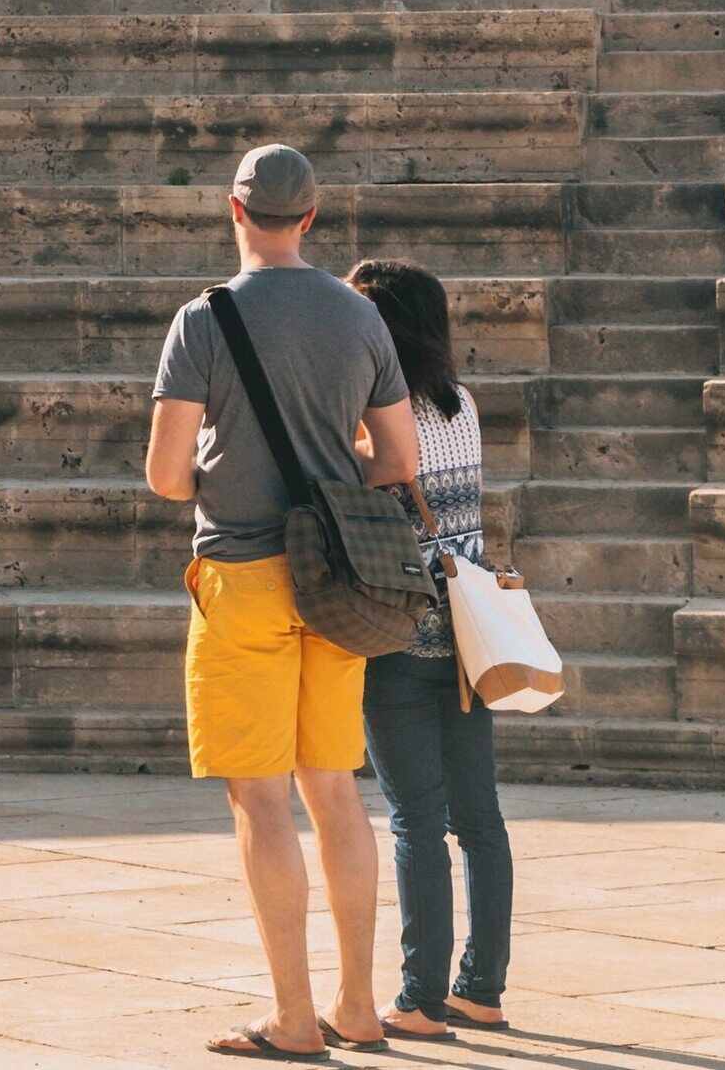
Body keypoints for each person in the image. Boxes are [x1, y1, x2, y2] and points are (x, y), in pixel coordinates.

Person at [148, 145, 420, 1061]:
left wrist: (224, 475)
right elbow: (397, 461)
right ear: (312, 217)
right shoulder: (359, 315)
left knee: (262, 802)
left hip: (242, 573)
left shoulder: (204, 319)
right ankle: (358, 1003)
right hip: (335, 579)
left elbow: (163, 472)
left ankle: (293, 1017)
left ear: (234, 208)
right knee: (336, 790)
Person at [348, 258, 513, 1039]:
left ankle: (418, 996)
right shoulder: (464, 404)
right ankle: (480, 987)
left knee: (416, 817)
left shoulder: (371, 415)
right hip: (469, 637)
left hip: (400, 631)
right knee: (478, 816)